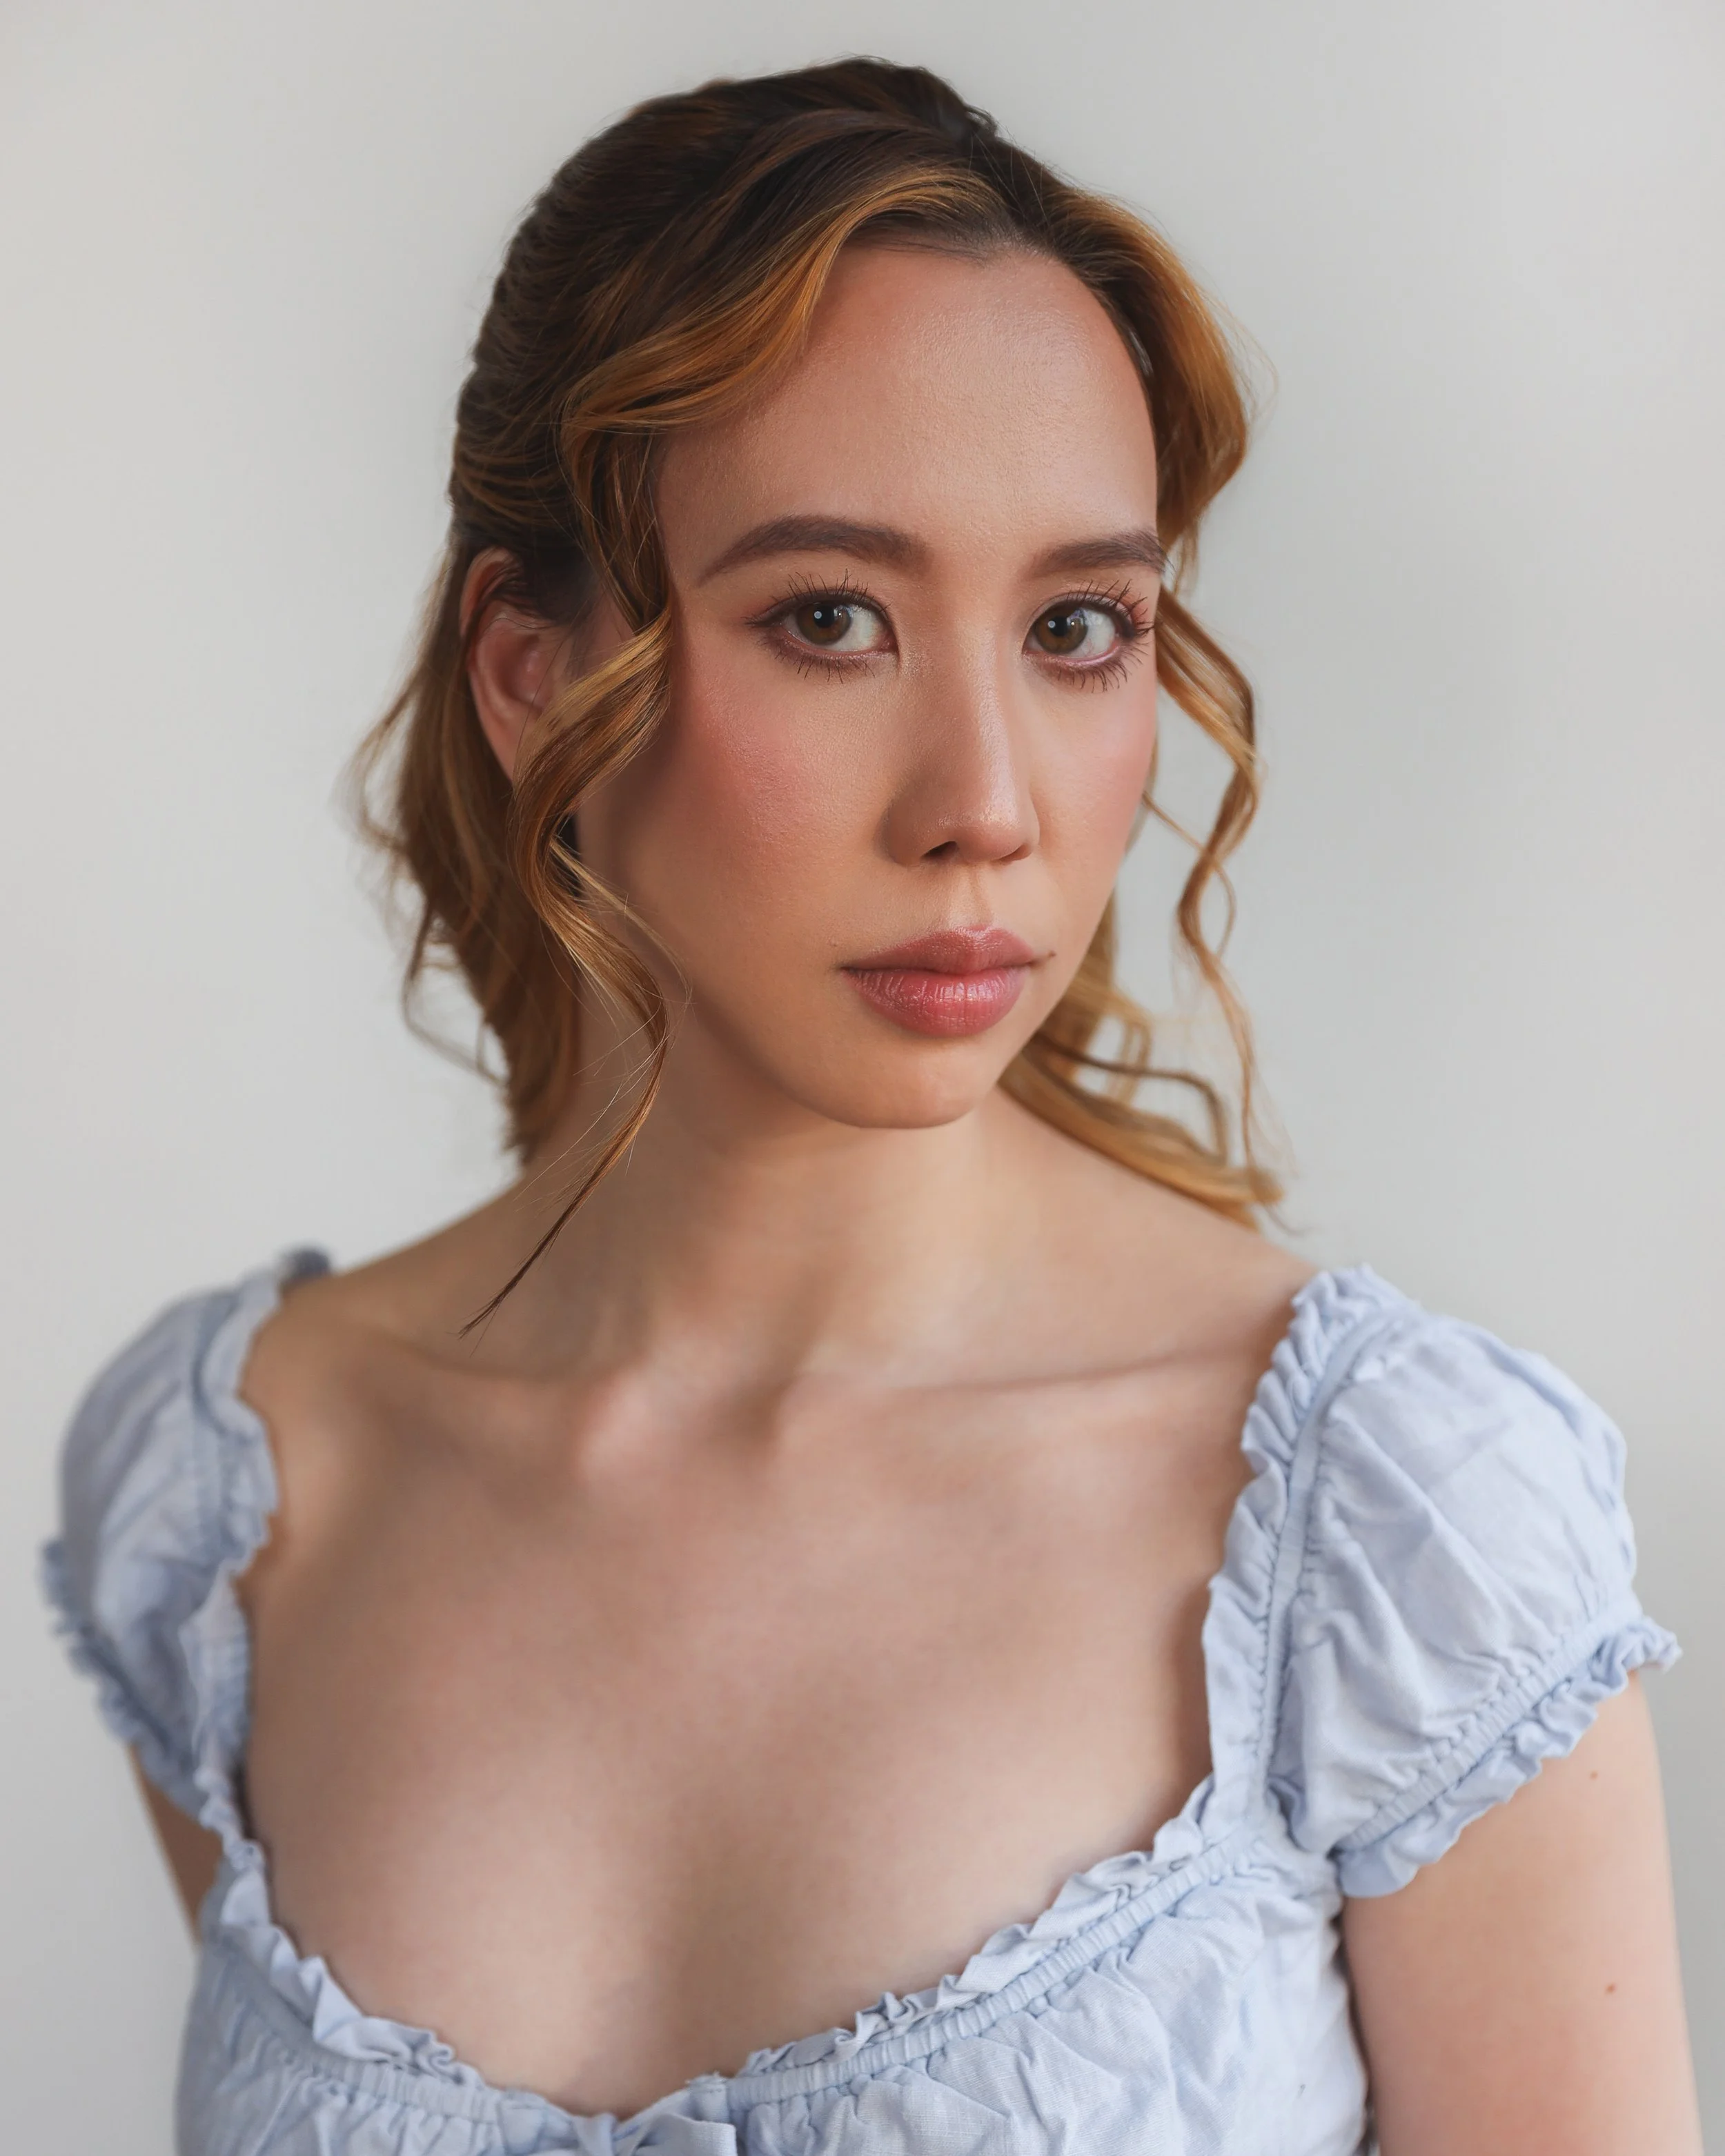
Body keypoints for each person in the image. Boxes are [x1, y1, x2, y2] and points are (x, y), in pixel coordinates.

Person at [42, 57, 1700, 2156]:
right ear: (534, 669)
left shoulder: (1390, 1541)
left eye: (1079, 628)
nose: (985, 805)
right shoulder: (237, 1498)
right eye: (829, 619)